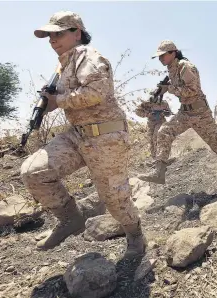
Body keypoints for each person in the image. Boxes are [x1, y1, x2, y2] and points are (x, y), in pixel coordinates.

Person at [20, 11, 146, 258]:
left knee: (115, 200)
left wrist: (59, 101)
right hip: (77, 136)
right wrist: (48, 104)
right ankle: (70, 219)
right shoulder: (64, 64)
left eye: (58, 34)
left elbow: (97, 91)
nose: (52, 40)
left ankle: (135, 234)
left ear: (76, 33)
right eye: (49, 35)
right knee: (33, 172)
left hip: (106, 138)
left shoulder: (88, 57)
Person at [138, 40, 217, 188]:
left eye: (163, 55)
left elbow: (192, 90)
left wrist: (169, 89)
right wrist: (163, 89)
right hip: (185, 113)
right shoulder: (171, 69)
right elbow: (178, 91)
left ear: (173, 53)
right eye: (159, 57)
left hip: (200, 113)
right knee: (164, 131)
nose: (160, 59)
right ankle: (159, 173)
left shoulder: (185, 67)